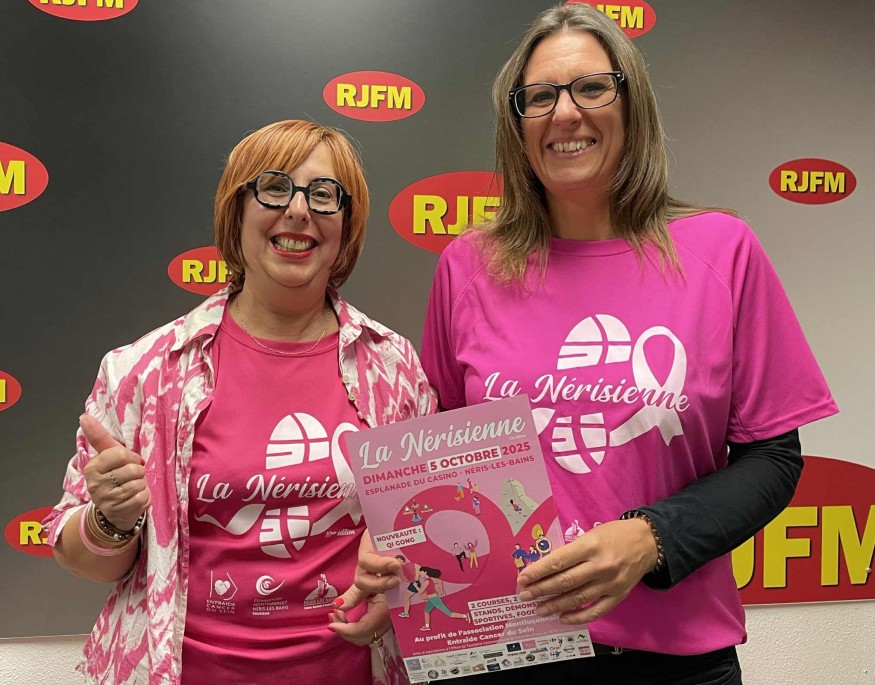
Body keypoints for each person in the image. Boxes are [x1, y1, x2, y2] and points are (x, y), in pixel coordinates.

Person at [357, 5, 837, 684]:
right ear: (516, 123)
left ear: (631, 105)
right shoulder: (468, 265)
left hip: (674, 662)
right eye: (539, 97)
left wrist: (650, 538)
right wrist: (395, 542)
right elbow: (437, 462)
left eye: (591, 88)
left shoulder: (722, 251)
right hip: (506, 655)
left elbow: (772, 458)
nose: (565, 113)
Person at [42, 119, 435, 685]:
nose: (298, 210)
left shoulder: (393, 369)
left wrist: (398, 583)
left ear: (347, 225)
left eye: (324, 194)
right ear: (237, 212)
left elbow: (424, 543)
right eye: (274, 188)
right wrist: (111, 519)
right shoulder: (146, 371)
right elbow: (80, 558)